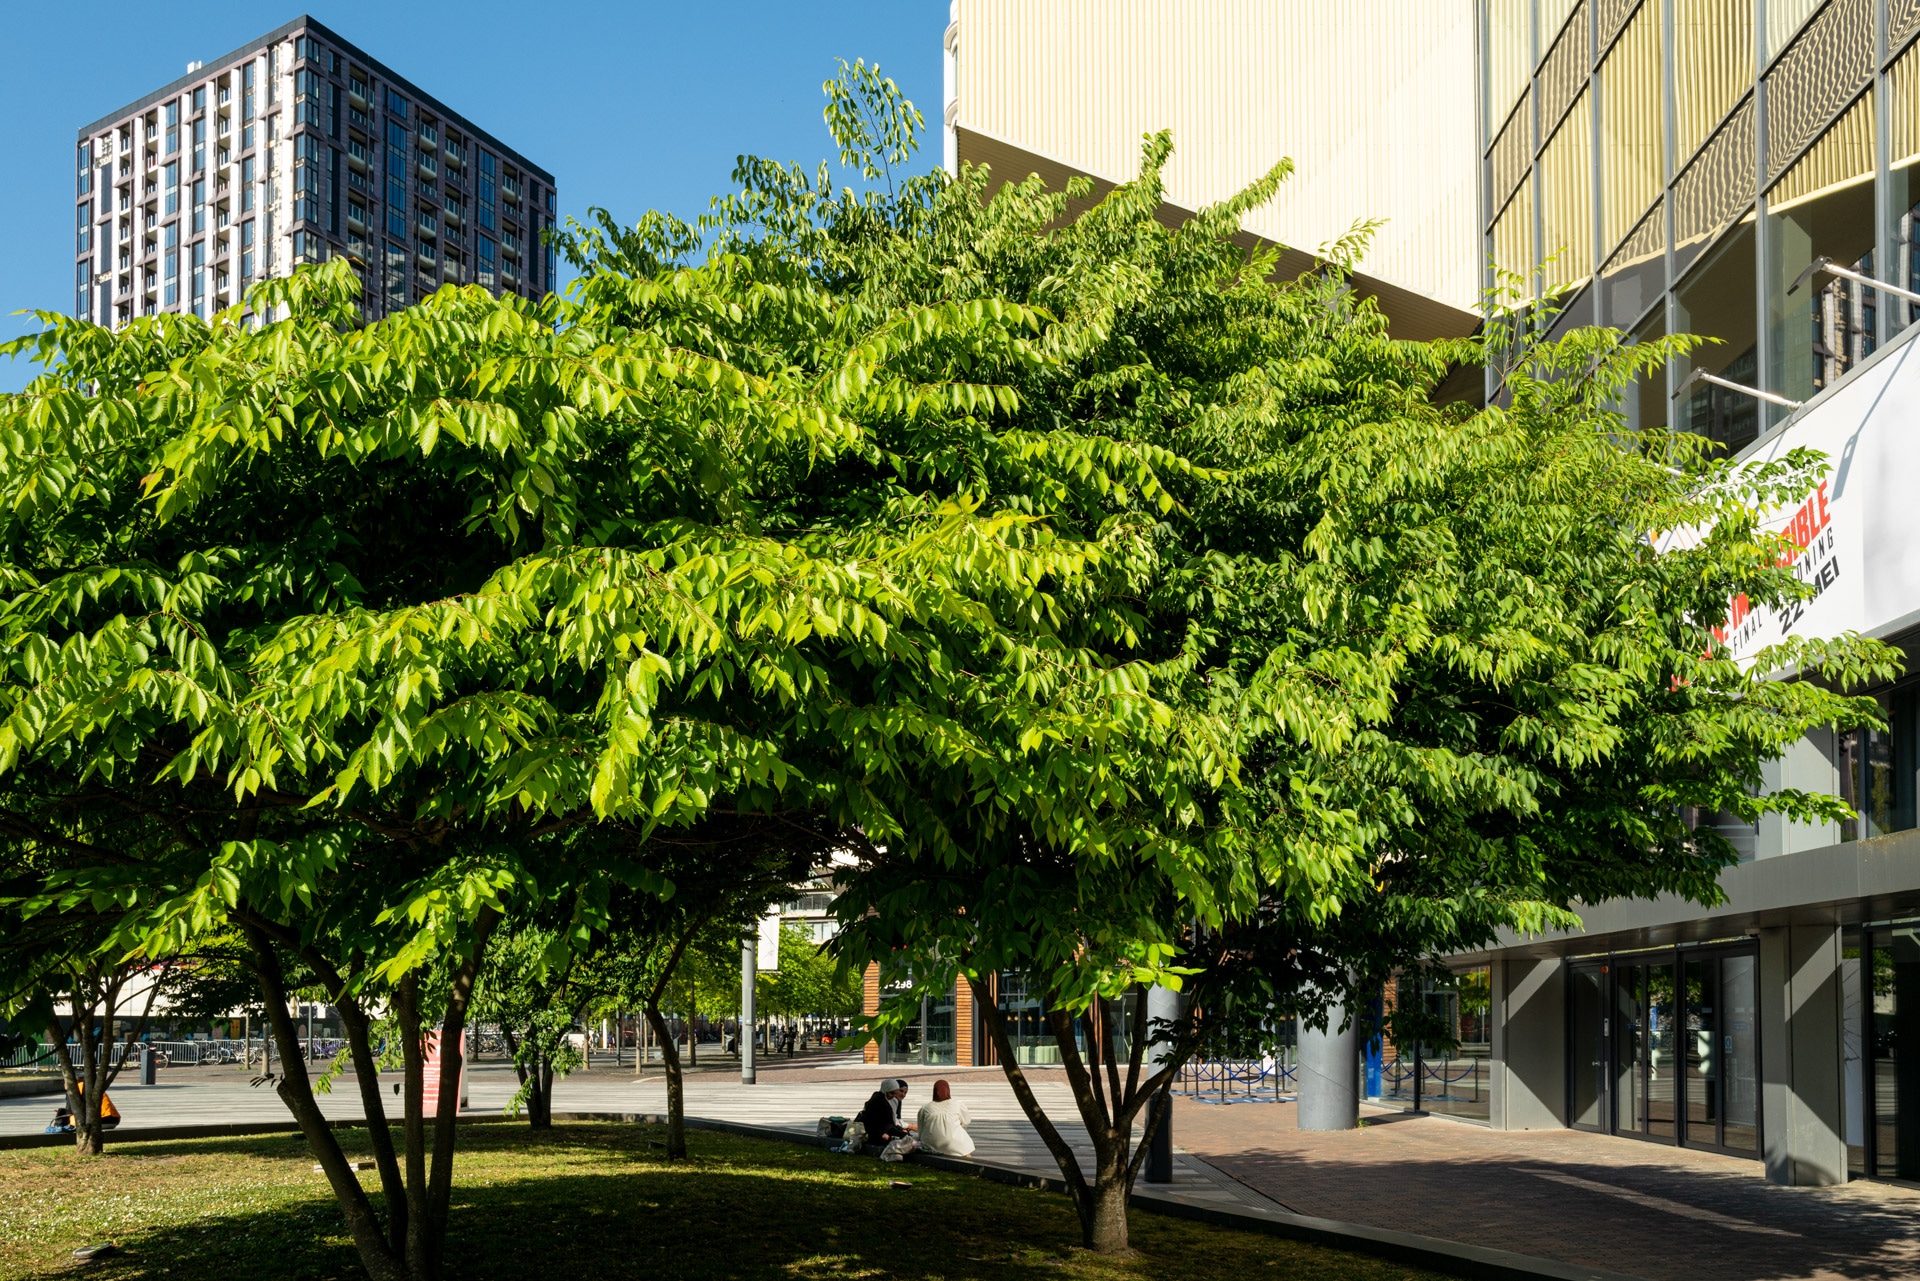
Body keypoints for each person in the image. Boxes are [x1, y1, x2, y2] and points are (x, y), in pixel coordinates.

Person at [916, 1079, 974, 1157]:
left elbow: (921, 1127)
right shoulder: (957, 1105)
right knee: (964, 1143)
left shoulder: (925, 1108)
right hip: (954, 1144)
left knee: (915, 1141)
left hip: (930, 1144)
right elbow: (966, 1121)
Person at [857, 1078, 913, 1144]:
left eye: (895, 1093)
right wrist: (885, 1133)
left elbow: (891, 1121)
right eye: (891, 1093)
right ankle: (919, 1146)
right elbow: (874, 1123)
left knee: (906, 1136)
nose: (893, 1096)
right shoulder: (878, 1102)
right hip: (876, 1134)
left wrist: (899, 1129)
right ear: (886, 1090)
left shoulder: (888, 1100)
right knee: (905, 1138)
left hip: (885, 1130)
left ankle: (919, 1146)